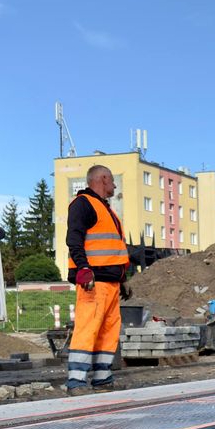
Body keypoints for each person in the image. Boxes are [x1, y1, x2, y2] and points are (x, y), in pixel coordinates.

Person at [65, 165, 129, 394]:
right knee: (88, 327)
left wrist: (122, 279)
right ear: (102, 178)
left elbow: (112, 249)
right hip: (93, 282)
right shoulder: (83, 204)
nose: (114, 185)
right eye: (112, 181)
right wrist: (83, 268)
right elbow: (74, 238)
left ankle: (102, 378)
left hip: (110, 283)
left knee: (108, 331)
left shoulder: (106, 210)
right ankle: (76, 381)